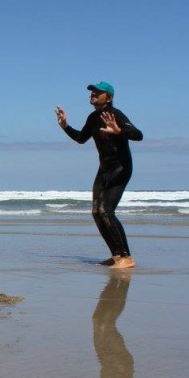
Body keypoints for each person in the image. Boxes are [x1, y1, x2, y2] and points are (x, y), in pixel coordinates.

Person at [55, 81, 143, 269]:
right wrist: (65, 126)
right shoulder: (93, 117)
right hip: (104, 170)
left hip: (121, 168)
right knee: (96, 212)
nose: (93, 94)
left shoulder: (115, 115)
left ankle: (127, 257)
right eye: (92, 92)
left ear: (109, 97)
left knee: (106, 211)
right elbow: (81, 138)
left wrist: (119, 131)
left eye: (97, 92)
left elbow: (138, 134)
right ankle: (116, 256)